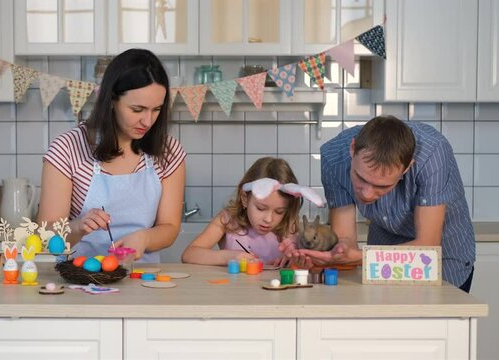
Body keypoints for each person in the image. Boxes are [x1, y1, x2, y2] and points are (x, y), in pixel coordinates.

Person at [280, 115, 475, 292]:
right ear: (352, 148)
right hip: (381, 249)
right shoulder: (333, 159)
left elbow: (427, 246)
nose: (367, 193)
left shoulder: (433, 154)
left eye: (381, 186)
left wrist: (359, 257)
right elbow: (345, 240)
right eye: (360, 178)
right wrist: (324, 250)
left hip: (444, 255)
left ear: (407, 168)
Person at [38, 48, 186, 262]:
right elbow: (46, 236)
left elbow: (170, 227)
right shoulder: (67, 149)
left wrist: (145, 238)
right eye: (137, 109)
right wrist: (77, 227)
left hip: (142, 282)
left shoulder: (168, 152)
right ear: (111, 100)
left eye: (156, 110)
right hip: (79, 283)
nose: (148, 121)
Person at [182, 157, 323, 266]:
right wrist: (230, 257)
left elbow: (310, 262)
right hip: (235, 295)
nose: (268, 219)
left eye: (279, 212)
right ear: (244, 198)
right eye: (261, 208)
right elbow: (189, 255)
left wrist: (294, 261)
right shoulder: (227, 220)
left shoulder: (289, 226)